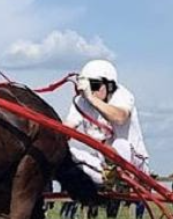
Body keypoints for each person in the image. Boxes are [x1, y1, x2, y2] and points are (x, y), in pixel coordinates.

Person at [63, 59, 151, 188]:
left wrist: (91, 98)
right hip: (103, 164)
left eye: (94, 85)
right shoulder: (81, 101)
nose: (90, 91)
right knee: (69, 153)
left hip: (133, 163)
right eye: (87, 86)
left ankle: (122, 179)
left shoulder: (121, 95)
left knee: (121, 144)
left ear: (109, 86)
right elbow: (67, 128)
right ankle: (108, 181)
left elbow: (120, 118)